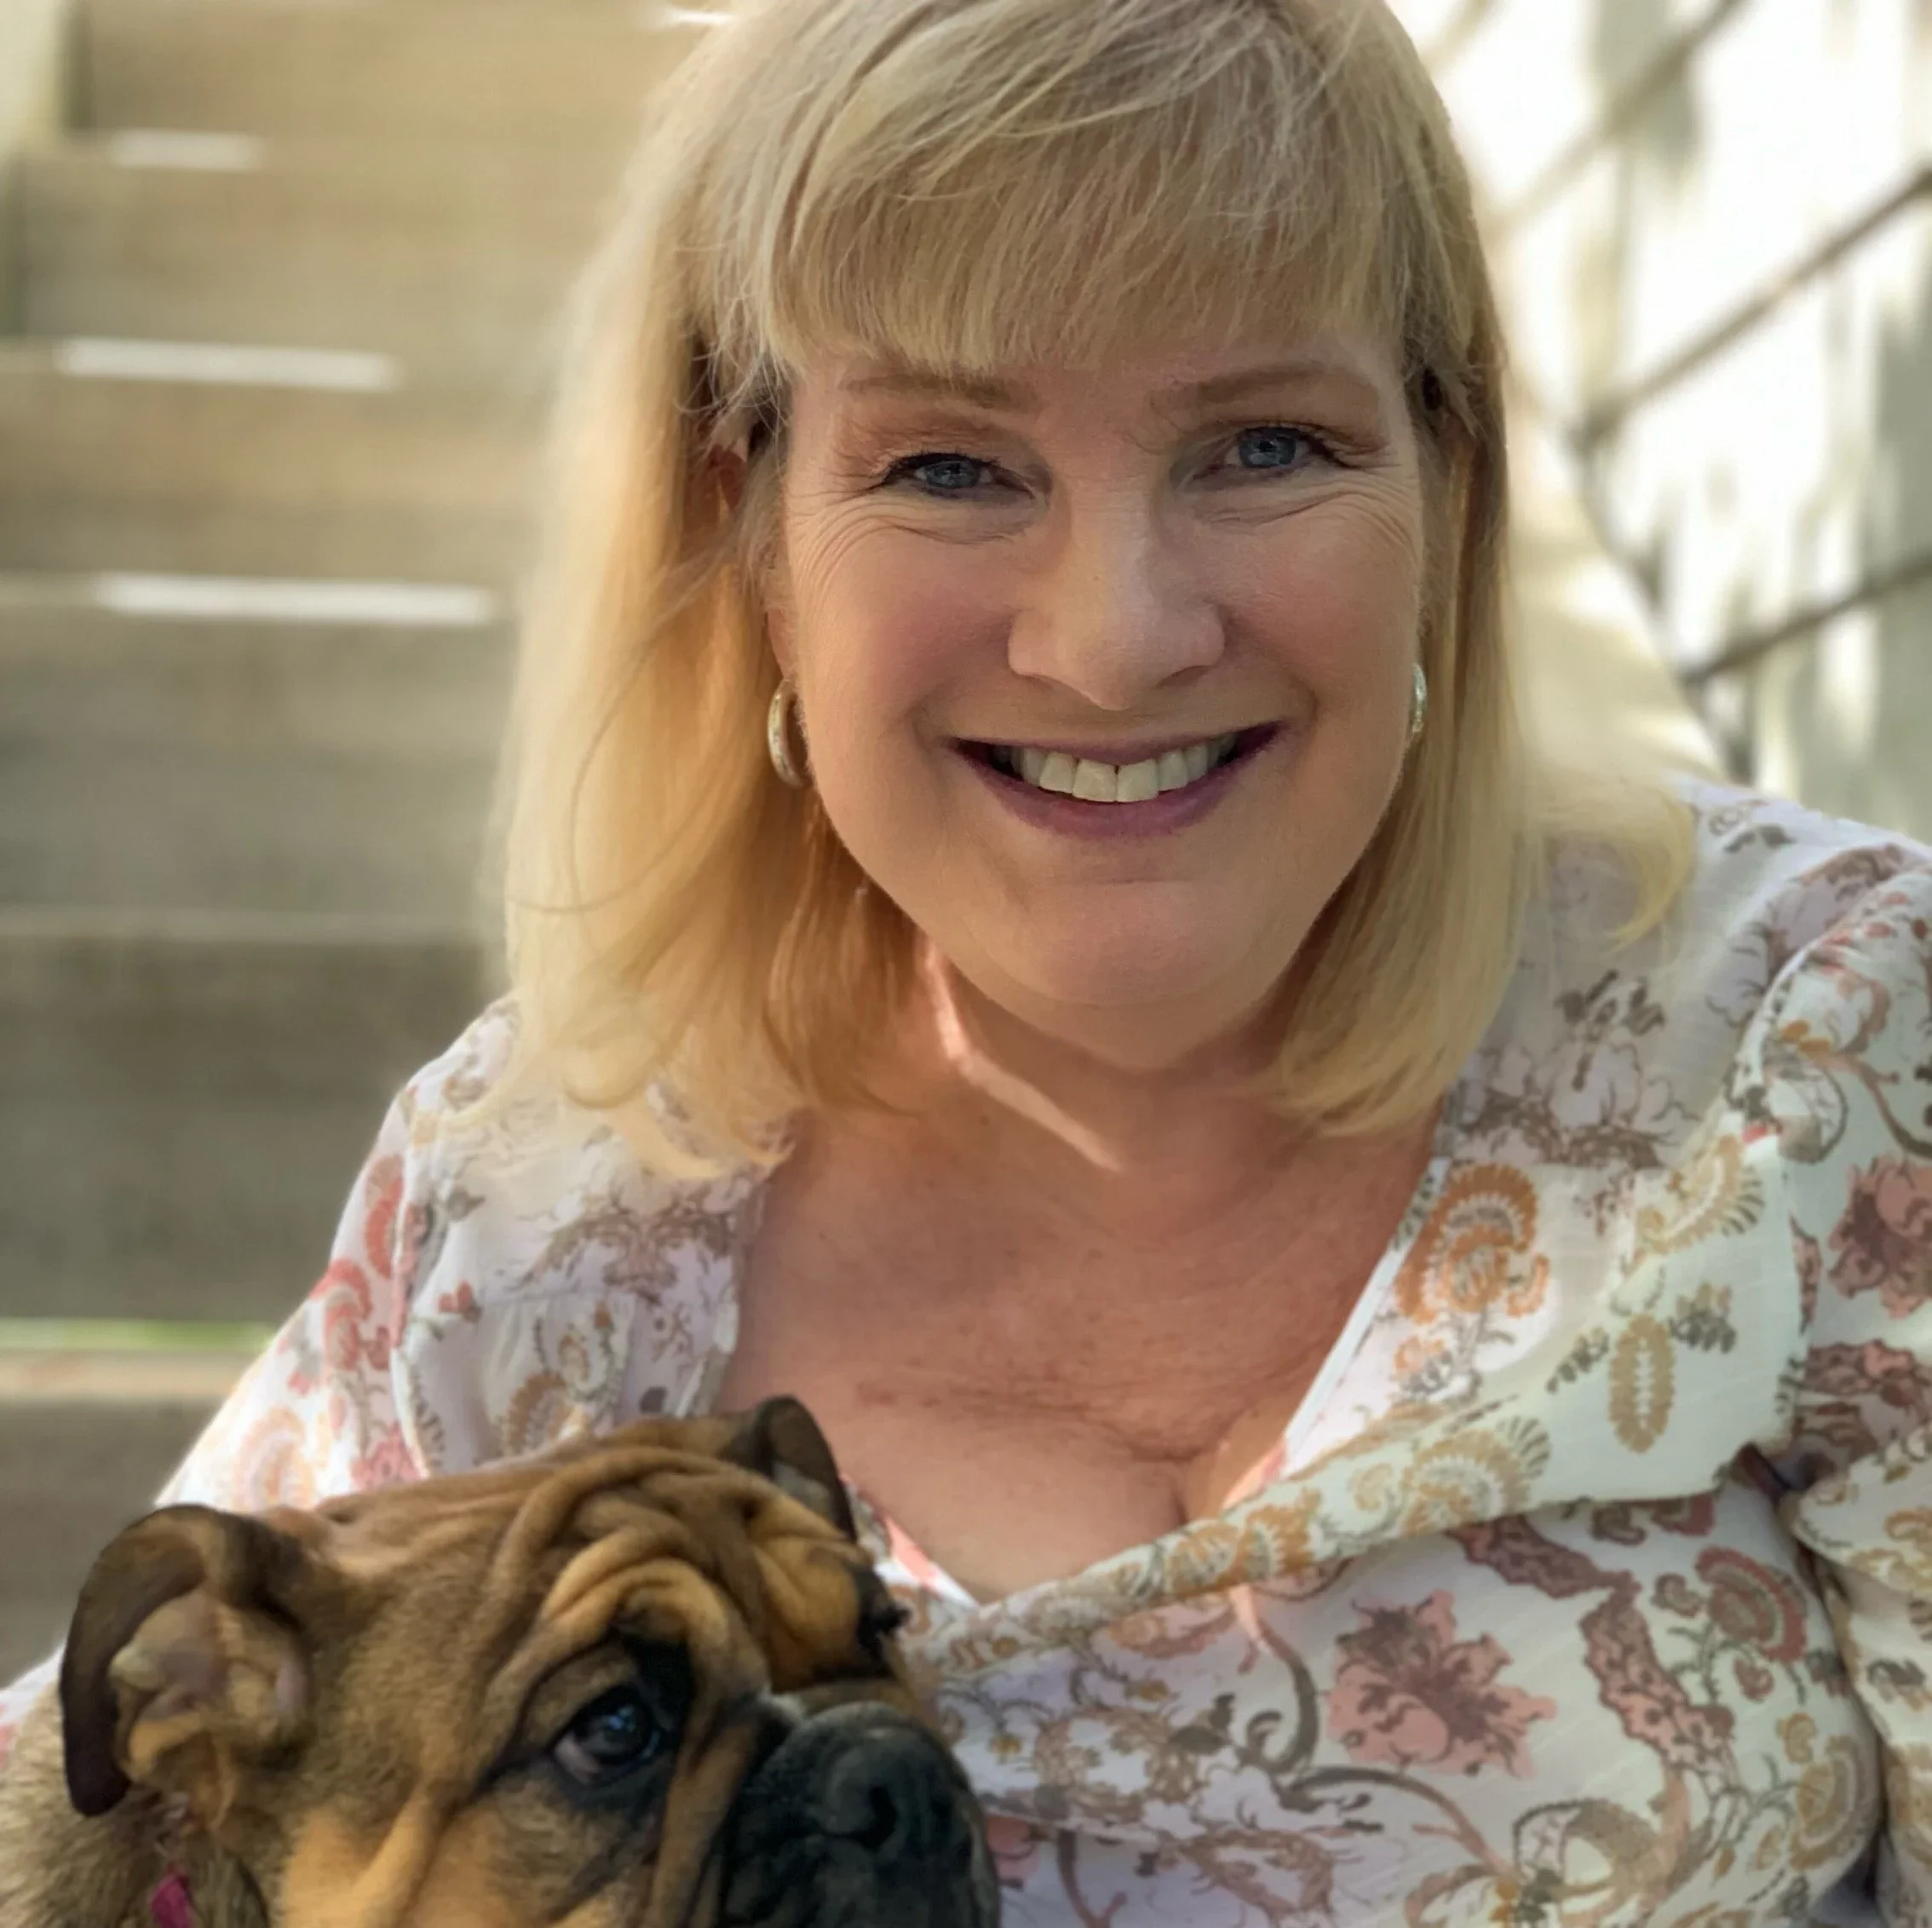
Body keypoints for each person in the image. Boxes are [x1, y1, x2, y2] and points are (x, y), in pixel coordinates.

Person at [8, 0, 1932, 1919]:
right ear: (743, 522)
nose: (1116, 639)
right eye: (949, 464)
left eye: (1265, 443)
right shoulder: (531, 1212)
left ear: (1452, 487)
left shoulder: (1822, 1046)